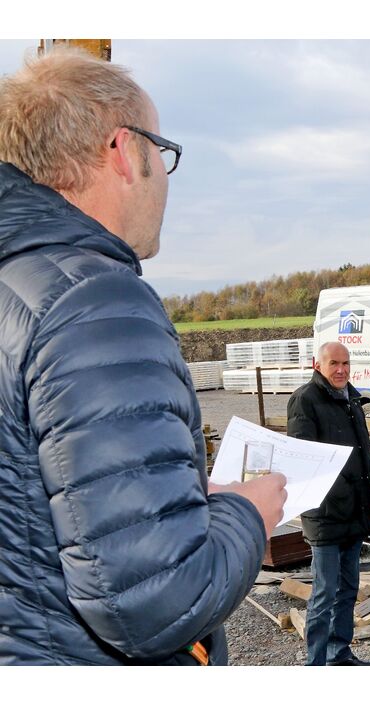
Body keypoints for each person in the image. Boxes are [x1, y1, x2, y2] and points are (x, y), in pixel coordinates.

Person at [0, 49, 286, 664]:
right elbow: (153, 601)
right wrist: (247, 512)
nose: (164, 176)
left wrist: (177, 498)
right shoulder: (95, 303)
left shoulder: (16, 288)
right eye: (163, 151)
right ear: (124, 150)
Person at [287, 342, 370, 666]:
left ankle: (338, 653)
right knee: (325, 592)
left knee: (348, 588)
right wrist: (342, 488)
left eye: (345, 363)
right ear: (318, 365)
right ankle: (315, 664)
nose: (341, 370)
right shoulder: (305, 399)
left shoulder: (352, 398)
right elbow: (304, 456)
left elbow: (362, 449)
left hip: (355, 508)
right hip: (325, 512)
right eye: (334, 364)